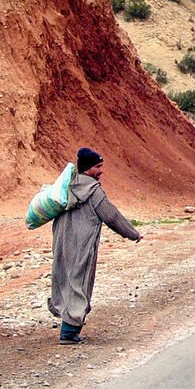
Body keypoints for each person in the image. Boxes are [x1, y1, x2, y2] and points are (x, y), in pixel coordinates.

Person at [48, 148, 141, 345]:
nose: (101, 171)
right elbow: (112, 216)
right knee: (79, 282)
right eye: (98, 167)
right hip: (81, 244)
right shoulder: (93, 191)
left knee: (63, 279)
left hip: (61, 242)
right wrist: (133, 234)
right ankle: (69, 332)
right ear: (88, 169)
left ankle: (66, 322)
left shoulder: (67, 185)